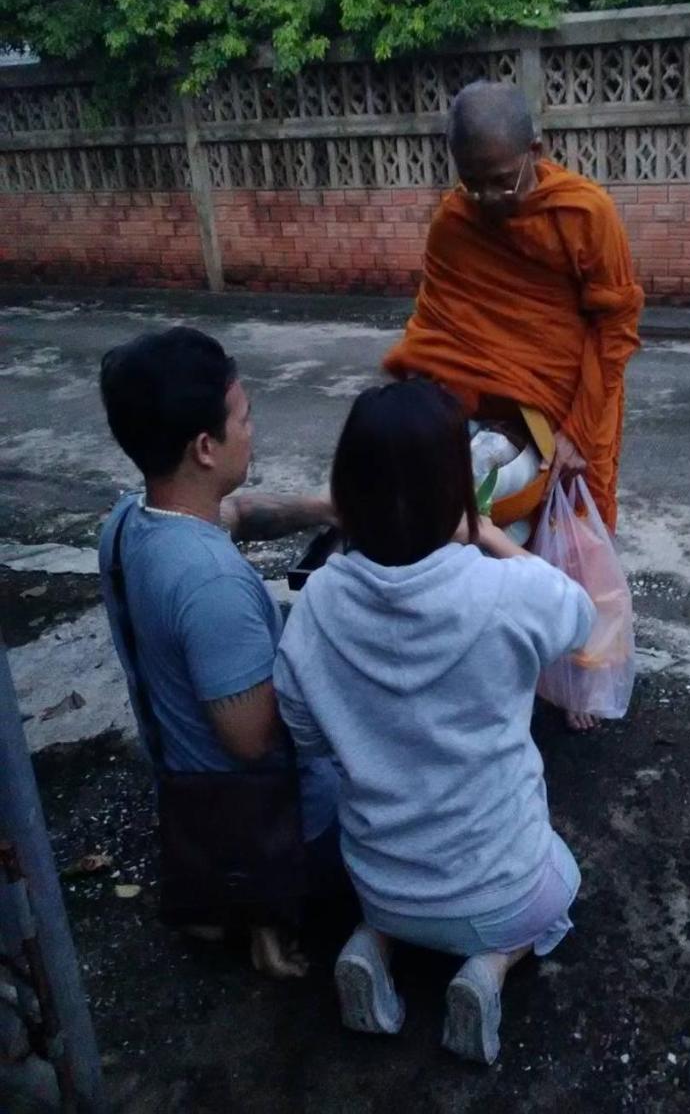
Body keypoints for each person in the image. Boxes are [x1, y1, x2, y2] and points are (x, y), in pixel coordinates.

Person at [273, 379, 596, 1064]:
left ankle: (371, 944)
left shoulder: (322, 598)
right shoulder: (503, 591)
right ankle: (488, 971)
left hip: (378, 883)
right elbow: (579, 613)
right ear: (457, 486)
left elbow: (304, 735)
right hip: (498, 892)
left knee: (400, 882)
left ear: (347, 490)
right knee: (562, 878)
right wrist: (484, 535)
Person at [382, 80, 643, 729]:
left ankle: (580, 676)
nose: (490, 200)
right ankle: (502, 664)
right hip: (485, 404)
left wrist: (580, 429)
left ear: (537, 149)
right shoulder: (455, 220)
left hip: (573, 394)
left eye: (503, 180)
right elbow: (440, 315)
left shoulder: (586, 213)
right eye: (474, 183)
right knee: (480, 534)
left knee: (578, 535)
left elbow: (614, 328)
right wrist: (420, 392)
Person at [98, 326, 342, 978]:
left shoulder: (129, 523)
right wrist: (335, 631)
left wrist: (328, 507)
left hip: (186, 799)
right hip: (273, 831)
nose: (253, 428)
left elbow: (241, 514)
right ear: (206, 447)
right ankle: (261, 906)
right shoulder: (212, 587)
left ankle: (228, 894)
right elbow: (253, 742)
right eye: (244, 417)